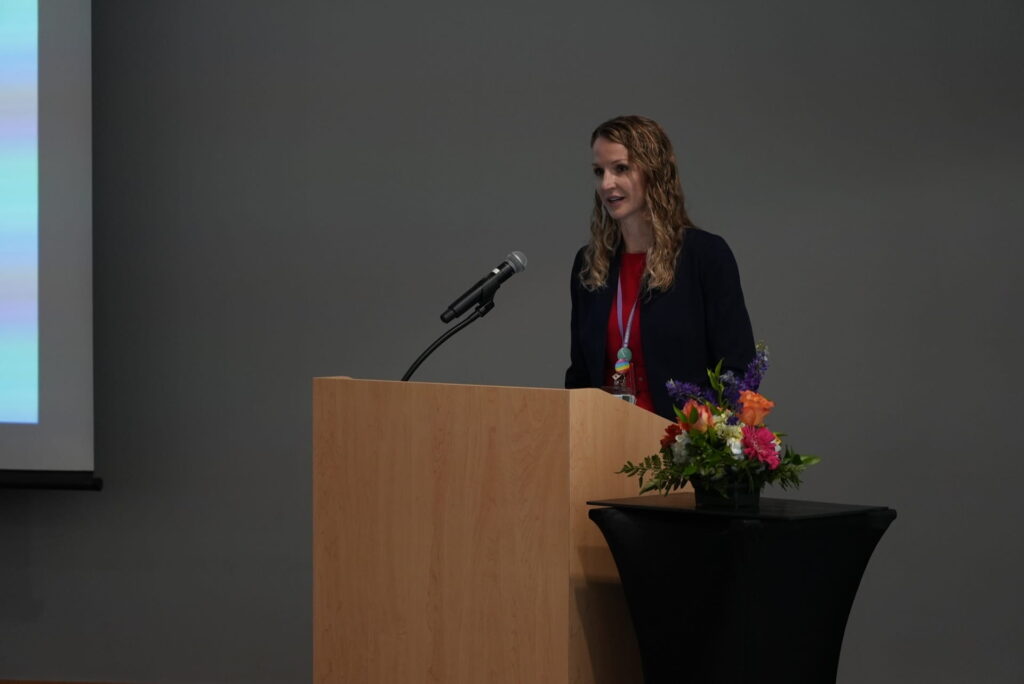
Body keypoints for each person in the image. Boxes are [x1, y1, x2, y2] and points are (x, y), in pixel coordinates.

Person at [565, 115, 755, 420]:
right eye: (599, 172)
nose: (606, 183)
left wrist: (705, 440)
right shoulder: (588, 266)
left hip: (684, 453)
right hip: (605, 450)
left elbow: (737, 368)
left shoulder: (704, 255)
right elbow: (580, 377)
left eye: (621, 169)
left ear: (654, 172)